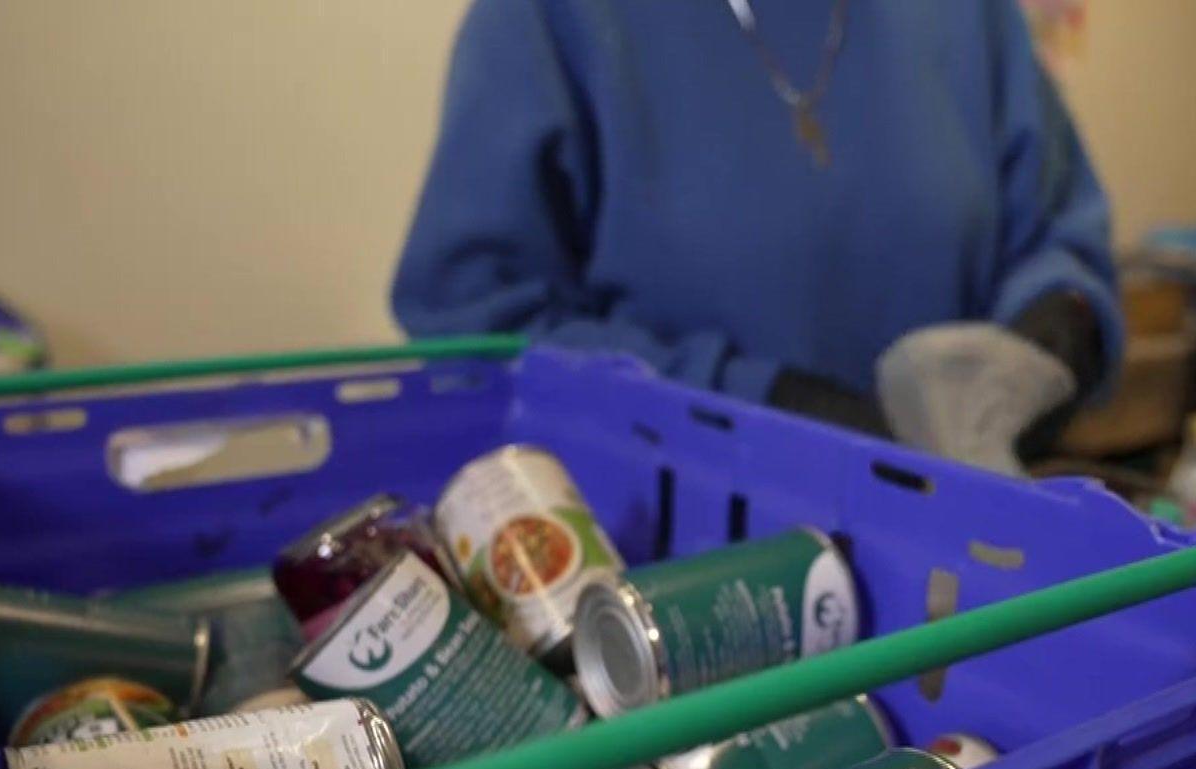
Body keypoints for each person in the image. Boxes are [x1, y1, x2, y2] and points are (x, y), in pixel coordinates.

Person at [392, 0, 1121, 468]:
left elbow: (1060, 234)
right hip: (688, 591)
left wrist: (1055, 330)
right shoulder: (554, 20)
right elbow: (476, 327)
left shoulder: (970, 16)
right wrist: (763, 405)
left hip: (961, 563)